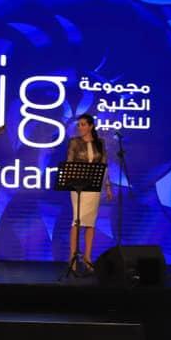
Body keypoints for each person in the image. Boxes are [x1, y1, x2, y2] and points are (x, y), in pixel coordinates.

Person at [66, 114, 113, 273]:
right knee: (77, 220)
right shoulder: (74, 142)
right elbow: (69, 163)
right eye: (79, 125)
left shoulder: (100, 143)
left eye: (83, 124)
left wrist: (107, 186)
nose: (80, 127)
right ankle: (72, 257)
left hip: (94, 186)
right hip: (78, 186)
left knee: (91, 222)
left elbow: (104, 166)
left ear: (91, 126)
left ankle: (87, 257)